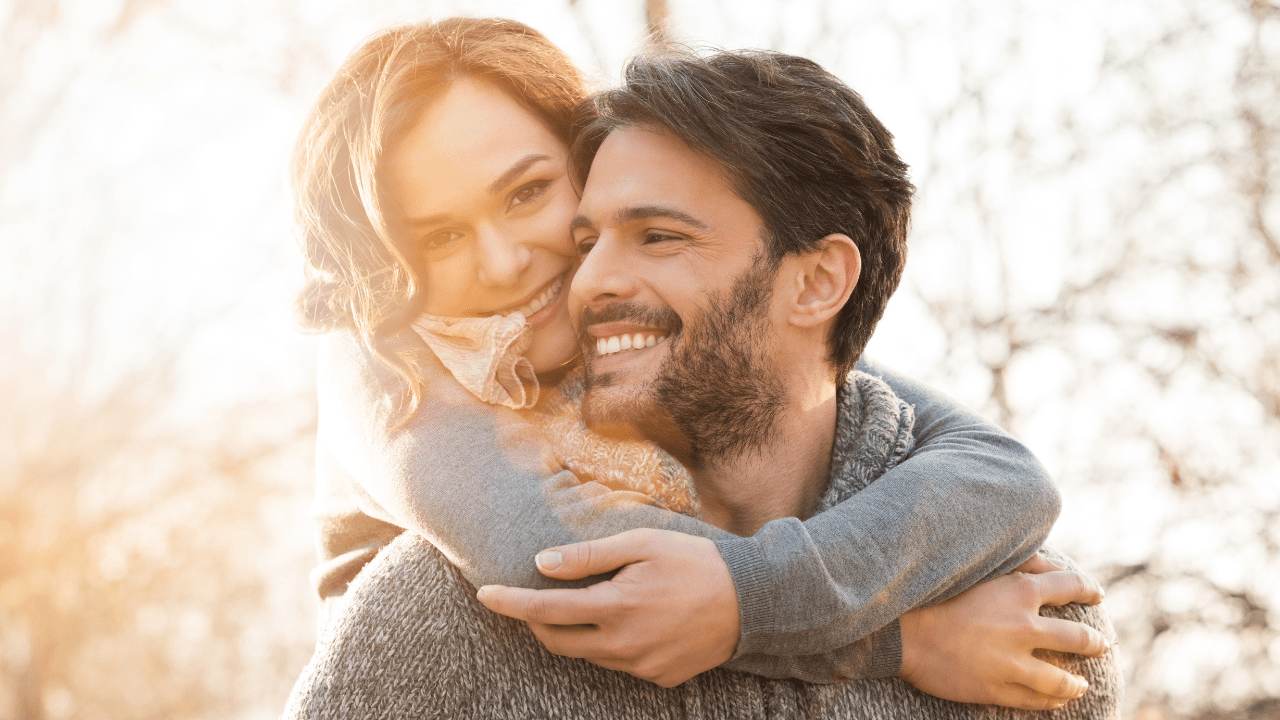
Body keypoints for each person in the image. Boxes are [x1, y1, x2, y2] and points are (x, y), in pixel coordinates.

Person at [287, 17, 1112, 712]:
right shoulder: (386, 366)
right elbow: (559, 565)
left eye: (528, 192)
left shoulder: (647, 327)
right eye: (438, 236)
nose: (504, 262)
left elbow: (999, 472)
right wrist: (901, 642)